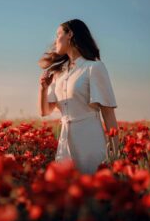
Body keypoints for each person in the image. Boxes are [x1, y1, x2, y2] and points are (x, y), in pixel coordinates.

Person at [38, 19, 119, 174]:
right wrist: (43, 89)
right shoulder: (59, 74)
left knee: (92, 192)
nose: (55, 40)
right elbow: (45, 111)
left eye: (58, 34)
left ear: (70, 34)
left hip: (90, 142)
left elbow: (108, 115)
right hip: (64, 144)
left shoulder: (94, 68)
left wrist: (115, 156)